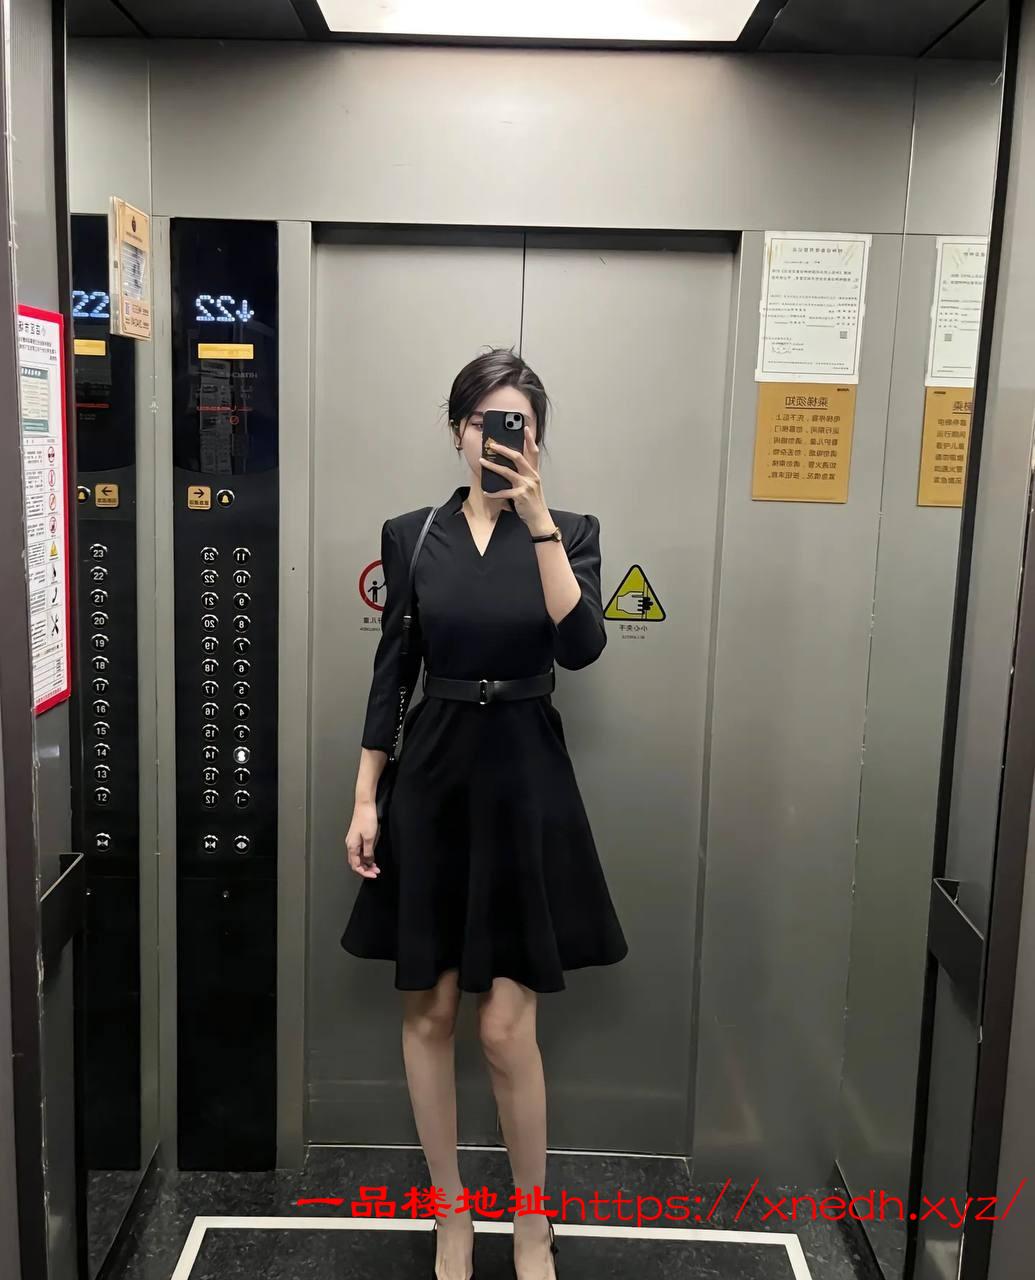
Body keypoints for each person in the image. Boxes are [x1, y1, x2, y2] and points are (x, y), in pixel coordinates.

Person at [342, 347, 628, 1280]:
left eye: (517, 425)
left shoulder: (571, 530)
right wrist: (364, 799)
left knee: (506, 1027)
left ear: (536, 437)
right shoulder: (411, 533)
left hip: (525, 778)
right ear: (456, 430)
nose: (497, 438)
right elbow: (393, 673)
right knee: (428, 1012)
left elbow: (580, 647)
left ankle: (532, 1222)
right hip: (431, 776)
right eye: (482, 422)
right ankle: (451, 1214)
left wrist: (538, 519)